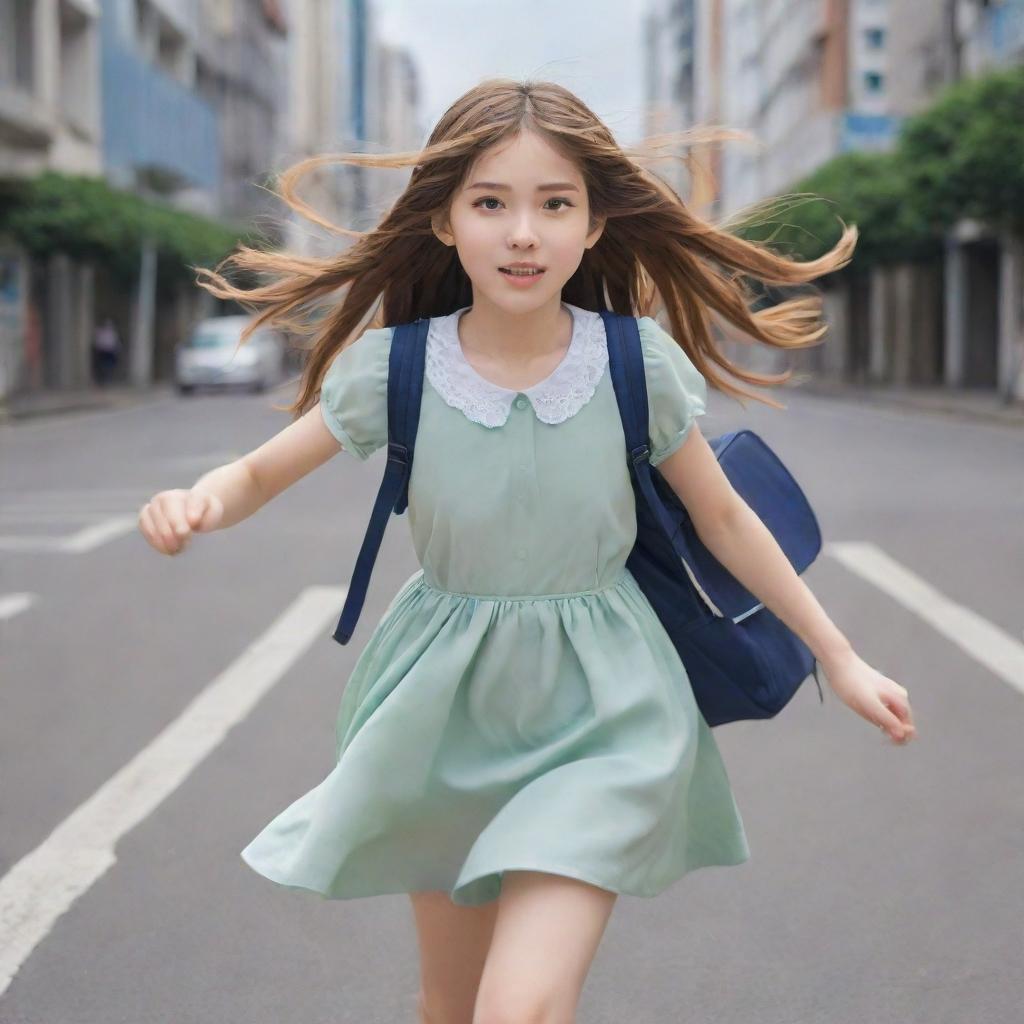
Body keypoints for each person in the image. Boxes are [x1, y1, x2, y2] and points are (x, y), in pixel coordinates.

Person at [138, 79, 916, 1023]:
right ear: (443, 222)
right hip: (442, 707)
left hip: (606, 711)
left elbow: (725, 521)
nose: (523, 233)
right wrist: (197, 502)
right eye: (491, 203)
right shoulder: (398, 368)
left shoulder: (635, 362)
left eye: (555, 205)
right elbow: (259, 474)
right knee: (451, 1005)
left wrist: (840, 655)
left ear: (592, 228)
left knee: (520, 1008)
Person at [92, 316, 121, 386]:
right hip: (103, 351)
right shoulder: (100, 332)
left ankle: (106, 378)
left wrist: (117, 349)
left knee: (109, 366)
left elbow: (116, 342)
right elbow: (97, 342)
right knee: (102, 366)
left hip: (109, 352)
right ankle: (102, 379)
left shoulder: (112, 333)